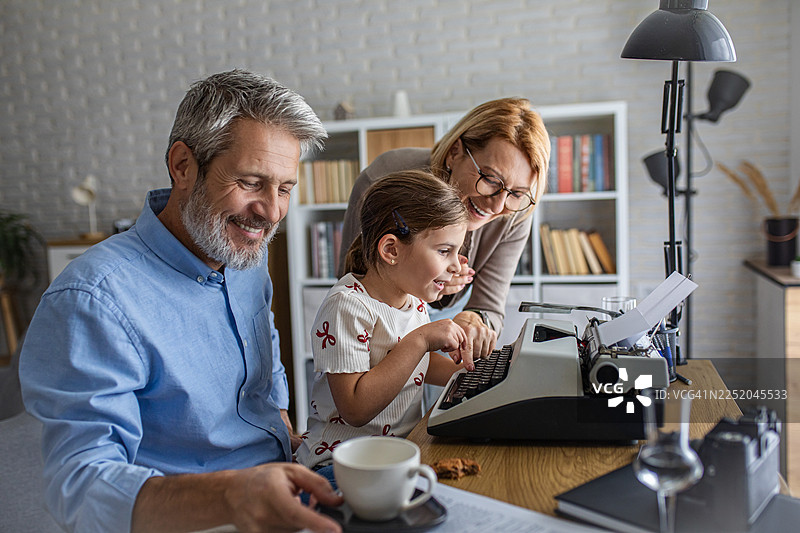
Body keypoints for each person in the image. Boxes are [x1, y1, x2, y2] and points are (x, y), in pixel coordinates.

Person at [18, 70, 344, 533]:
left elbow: (265, 362)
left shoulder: (243, 251)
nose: (272, 212)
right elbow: (80, 483)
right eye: (252, 182)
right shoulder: (92, 298)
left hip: (283, 488)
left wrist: (287, 436)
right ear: (183, 165)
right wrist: (233, 496)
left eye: (285, 188)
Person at [338, 98, 551, 368]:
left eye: (517, 193)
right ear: (455, 152)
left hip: (439, 332)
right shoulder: (385, 181)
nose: (497, 205)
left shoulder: (515, 212)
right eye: (490, 180)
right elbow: (352, 284)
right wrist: (422, 286)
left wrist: (472, 320)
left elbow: (488, 306)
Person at [296, 170, 469, 480]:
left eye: (457, 251)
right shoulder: (347, 306)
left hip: (397, 455)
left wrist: (470, 374)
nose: (457, 266)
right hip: (339, 464)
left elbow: (416, 367)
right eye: (445, 251)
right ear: (391, 250)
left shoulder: (413, 300)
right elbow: (355, 409)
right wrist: (420, 340)